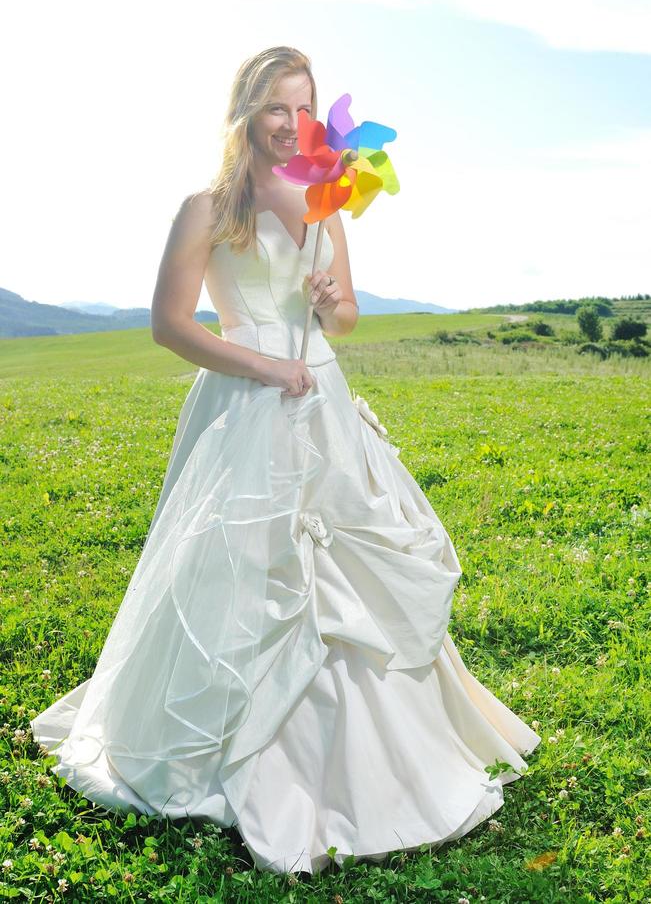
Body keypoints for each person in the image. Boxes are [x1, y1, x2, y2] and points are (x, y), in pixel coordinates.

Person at [31, 45, 541, 875]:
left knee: (346, 566)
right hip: (246, 399)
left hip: (324, 401)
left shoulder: (325, 196)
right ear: (244, 111)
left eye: (302, 110)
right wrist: (265, 363)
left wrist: (332, 302)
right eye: (275, 106)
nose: (289, 125)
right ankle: (221, 740)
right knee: (248, 565)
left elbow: (342, 320)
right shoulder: (206, 207)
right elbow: (169, 325)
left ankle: (383, 761)